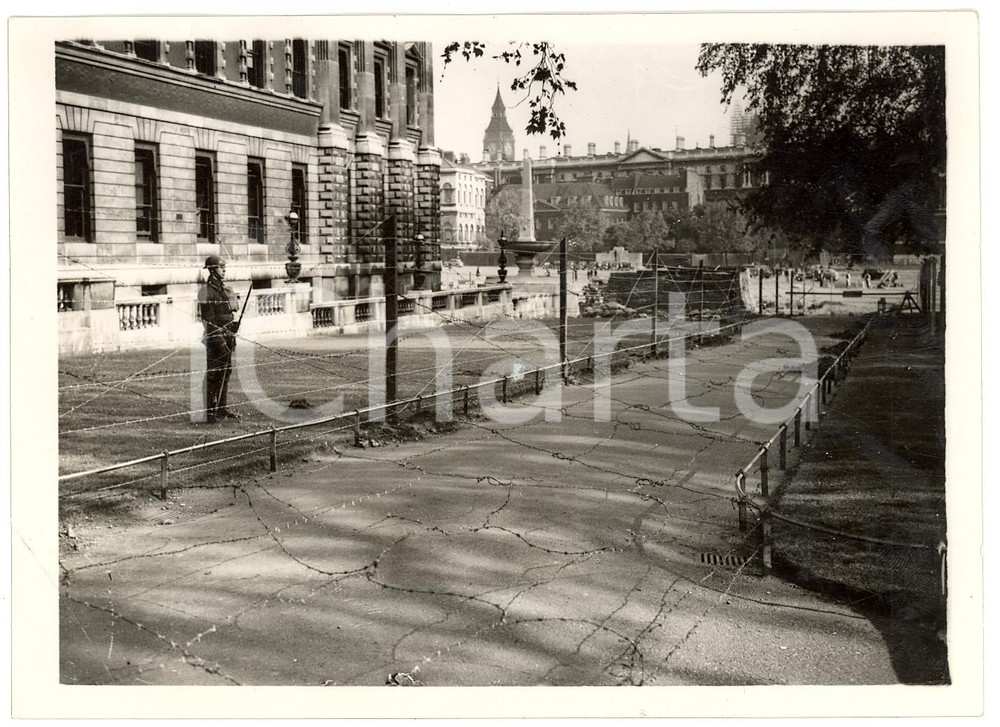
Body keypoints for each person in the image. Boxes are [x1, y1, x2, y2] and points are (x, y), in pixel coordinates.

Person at [201, 255, 240, 422]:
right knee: (213, 374)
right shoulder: (206, 291)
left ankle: (222, 409)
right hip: (215, 339)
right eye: (220, 267)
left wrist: (233, 327)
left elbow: (226, 314)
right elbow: (209, 320)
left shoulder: (223, 289)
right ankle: (210, 413)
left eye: (224, 267)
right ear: (212, 270)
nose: (224, 270)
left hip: (228, 336)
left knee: (225, 373)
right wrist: (220, 341)